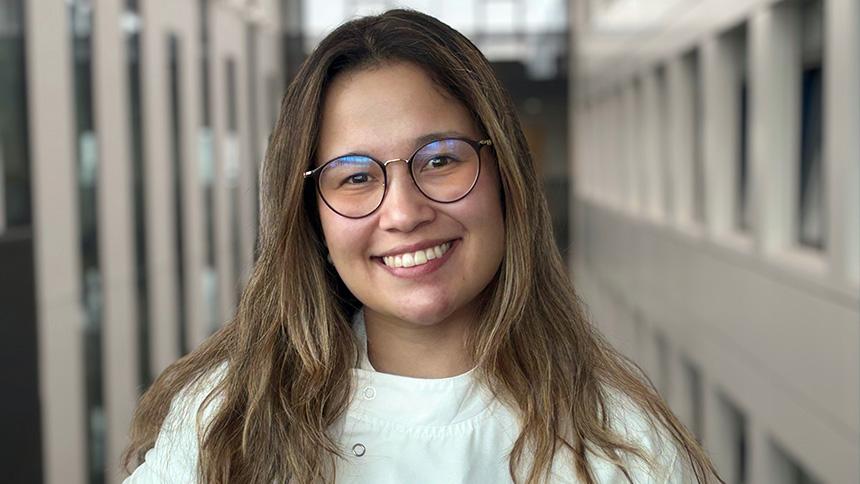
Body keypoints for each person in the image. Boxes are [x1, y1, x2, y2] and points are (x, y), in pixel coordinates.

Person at [123, 9, 722, 484]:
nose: (405, 212)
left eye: (439, 160)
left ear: (505, 175)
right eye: (355, 176)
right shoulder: (225, 423)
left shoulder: (625, 450)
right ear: (312, 221)